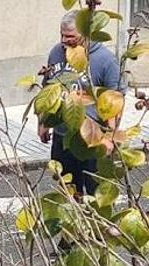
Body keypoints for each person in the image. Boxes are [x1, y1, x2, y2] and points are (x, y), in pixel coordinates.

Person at [38, 10, 126, 197]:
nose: (64, 41)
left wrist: (110, 136)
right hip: (63, 138)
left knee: (97, 193)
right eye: (62, 35)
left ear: (86, 33)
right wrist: (43, 123)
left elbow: (116, 99)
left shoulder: (105, 60)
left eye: (70, 37)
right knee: (68, 192)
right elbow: (47, 89)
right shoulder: (56, 52)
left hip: (94, 138)